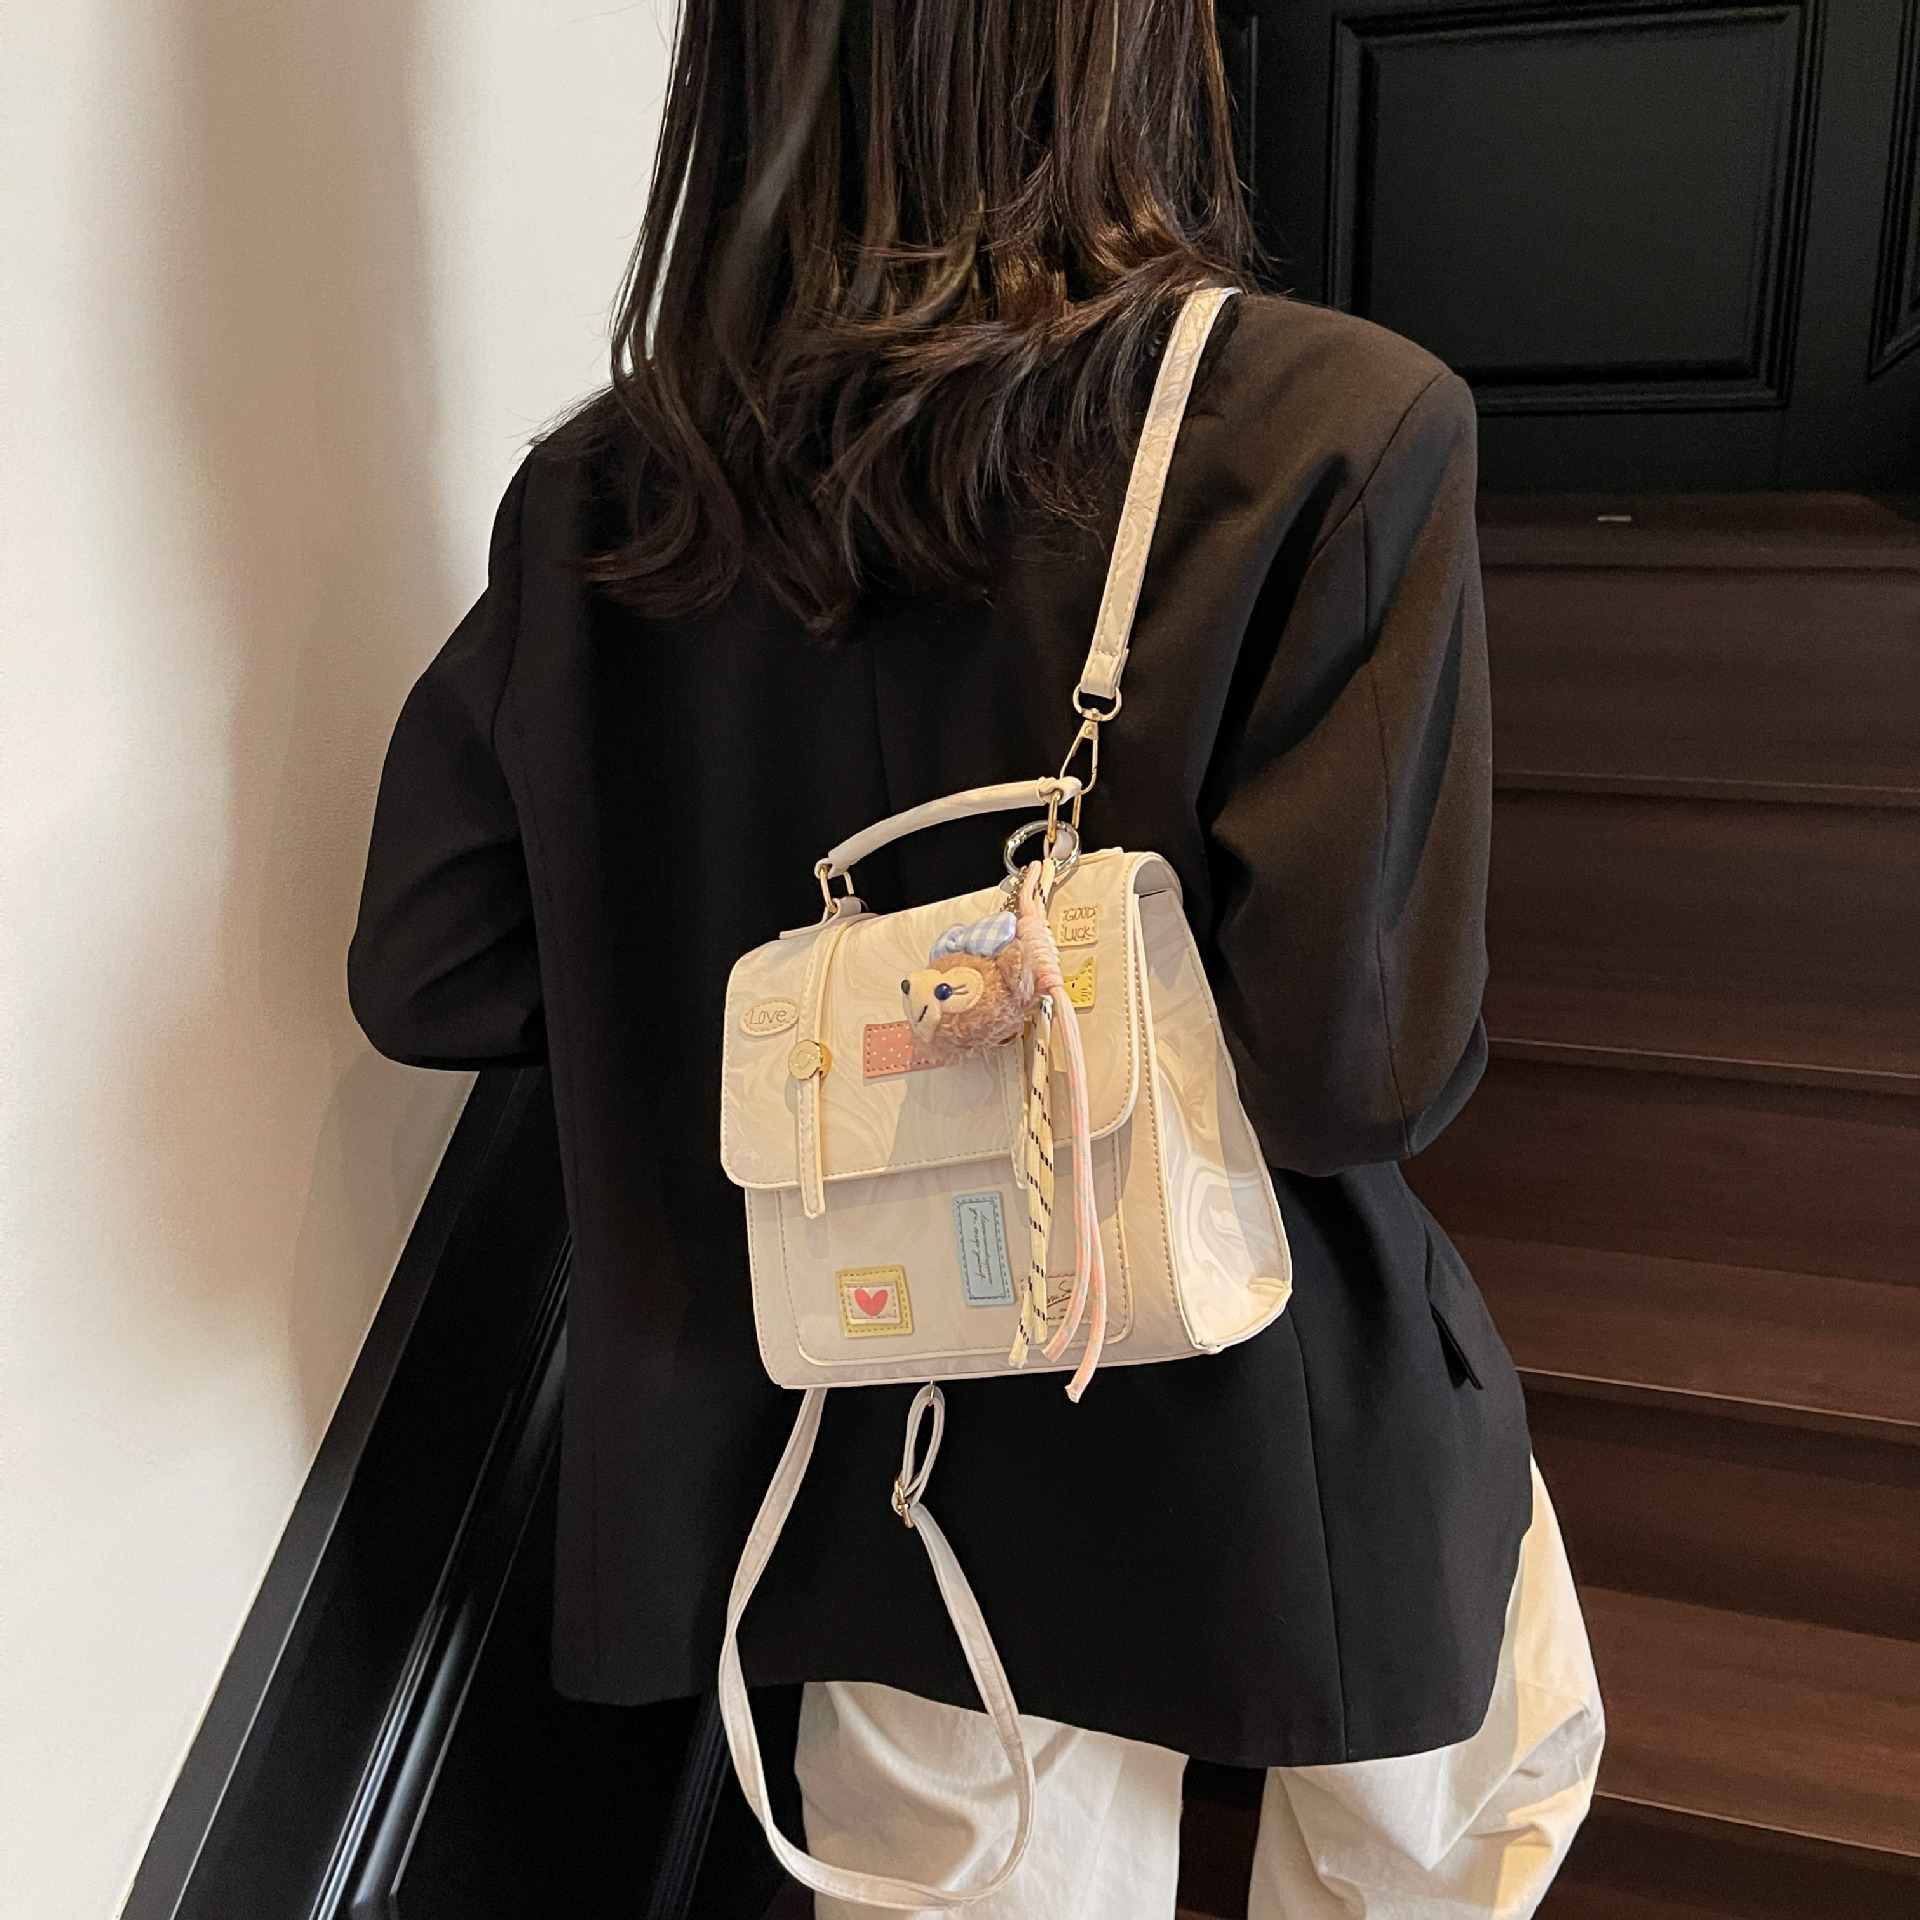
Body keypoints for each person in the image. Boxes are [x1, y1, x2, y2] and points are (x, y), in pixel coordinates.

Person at [349, 3, 1603, 1914]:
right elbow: (1361, 1076)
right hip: (1266, 1413)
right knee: (1450, 1827)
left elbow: (431, 965)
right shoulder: (1337, 425)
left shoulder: (603, 499)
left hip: (876, 1458)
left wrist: (780, 1001)